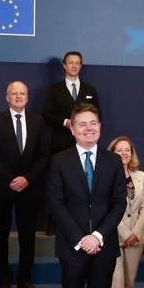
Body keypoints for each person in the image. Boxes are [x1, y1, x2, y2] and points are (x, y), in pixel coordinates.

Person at [48, 103, 126, 288]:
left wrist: (98, 236)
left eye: (93, 123)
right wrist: (82, 238)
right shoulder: (59, 161)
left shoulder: (112, 161)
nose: (88, 128)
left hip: (103, 247)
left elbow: (119, 203)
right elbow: (56, 204)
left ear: (100, 127)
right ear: (72, 128)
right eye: (82, 124)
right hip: (72, 248)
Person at [0, 81, 50, 288]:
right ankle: (4, 280)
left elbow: (43, 156)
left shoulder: (38, 122)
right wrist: (11, 179)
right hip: (2, 188)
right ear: (7, 97)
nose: (19, 96)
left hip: (29, 189)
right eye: (14, 93)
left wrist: (27, 179)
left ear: (28, 97)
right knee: (0, 236)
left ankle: (24, 280)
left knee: (27, 237)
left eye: (22, 93)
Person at [40, 51, 100, 234]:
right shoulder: (54, 89)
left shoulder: (90, 89)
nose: (74, 66)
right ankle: (54, 224)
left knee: (83, 185)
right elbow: (46, 114)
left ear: (81, 66)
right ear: (64, 66)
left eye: (78, 63)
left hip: (85, 146)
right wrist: (65, 122)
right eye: (71, 63)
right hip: (60, 145)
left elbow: (97, 114)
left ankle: (84, 225)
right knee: (58, 185)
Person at [108, 136, 144, 288]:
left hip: (136, 238)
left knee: (128, 286)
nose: (124, 153)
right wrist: (124, 232)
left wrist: (135, 232)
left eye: (127, 150)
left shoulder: (140, 176)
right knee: (115, 285)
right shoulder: (105, 176)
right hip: (114, 237)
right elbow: (108, 209)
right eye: (119, 150)